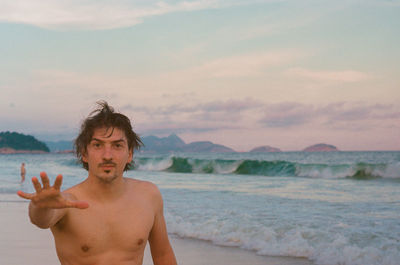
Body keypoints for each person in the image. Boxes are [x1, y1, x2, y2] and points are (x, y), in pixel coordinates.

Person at [17, 101, 177, 265]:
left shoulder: (149, 195)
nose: (107, 155)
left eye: (117, 145)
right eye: (97, 145)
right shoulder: (69, 202)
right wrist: (41, 206)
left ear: (129, 154)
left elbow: (163, 255)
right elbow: (42, 220)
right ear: (84, 153)